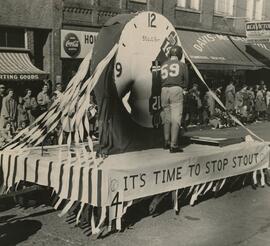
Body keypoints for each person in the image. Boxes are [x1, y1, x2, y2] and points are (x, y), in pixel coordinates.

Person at [160, 45, 188, 153]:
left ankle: (166, 141)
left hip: (163, 90)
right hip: (176, 89)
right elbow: (186, 81)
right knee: (176, 118)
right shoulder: (182, 65)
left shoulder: (164, 64)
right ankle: (174, 145)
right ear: (179, 54)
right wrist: (184, 89)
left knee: (166, 118)